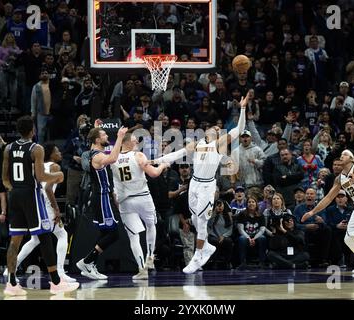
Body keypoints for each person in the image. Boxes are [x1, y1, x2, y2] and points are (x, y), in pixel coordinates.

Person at [152, 91, 252, 273]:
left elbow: (238, 130)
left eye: (216, 129)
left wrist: (243, 108)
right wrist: (159, 160)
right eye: (211, 128)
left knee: (202, 221)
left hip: (207, 185)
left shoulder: (219, 144)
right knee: (196, 221)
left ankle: (199, 256)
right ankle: (206, 247)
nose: (214, 129)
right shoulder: (196, 143)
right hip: (194, 184)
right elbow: (178, 154)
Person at [2, 116, 79, 296]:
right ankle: (56, 282)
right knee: (44, 236)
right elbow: (40, 177)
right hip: (31, 195)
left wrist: (15, 189)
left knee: (15, 240)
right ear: (33, 131)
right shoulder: (36, 148)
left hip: (14, 195)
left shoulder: (8, 148)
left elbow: (5, 178)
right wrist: (58, 176)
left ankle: (11, 284)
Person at [302, 149, 354, 272]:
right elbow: (329, 198)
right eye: (341, 154)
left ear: (352, 159)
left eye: (345, 154)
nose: (342, 156)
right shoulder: (339, 178)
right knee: (349, 239)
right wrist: (312, 212)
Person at [111, 132, 170, 280]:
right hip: (143, 197)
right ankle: (150, 257)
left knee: (133, 237)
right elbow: (154, 174)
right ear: (126, 142)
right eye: (133, 139)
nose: (137, 140)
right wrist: (163, 164)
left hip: (125, 201)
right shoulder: (138, 156)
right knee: (151, 225)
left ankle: (141, 269)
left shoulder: (112, 158)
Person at [75, 123, 127, 280]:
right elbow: (112, 158)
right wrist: (119, 137)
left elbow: (109, 153)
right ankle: (87, 261)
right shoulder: (97, 156)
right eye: (104, 135)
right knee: (113, 234)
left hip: (102, 196)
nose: (107, 137)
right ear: (97, 140)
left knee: (105, 232)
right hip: (102, 197)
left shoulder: (95, 152)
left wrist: (97, 126)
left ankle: (91, 265)